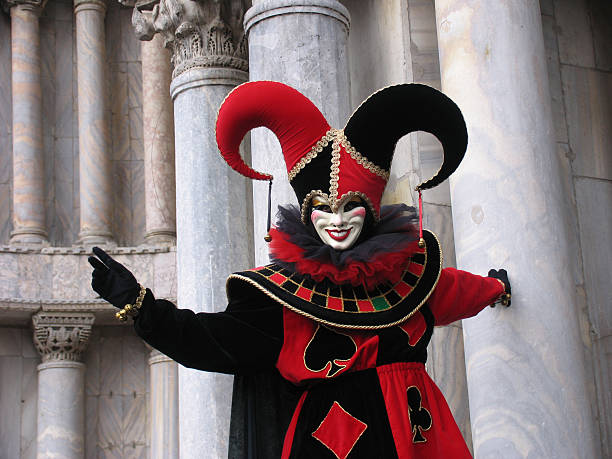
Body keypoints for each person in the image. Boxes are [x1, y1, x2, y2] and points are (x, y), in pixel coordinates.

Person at [89, 81, 511, 458]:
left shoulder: (412, 280)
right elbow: (209, 339)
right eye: (324, 210)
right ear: (306, 214)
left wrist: (495, 288)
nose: (338, 221)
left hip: (418, 439)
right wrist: (140, 305)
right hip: (330, 445)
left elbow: (457, 291)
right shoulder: (278, 298)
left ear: (371, 209)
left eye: (351, 207)